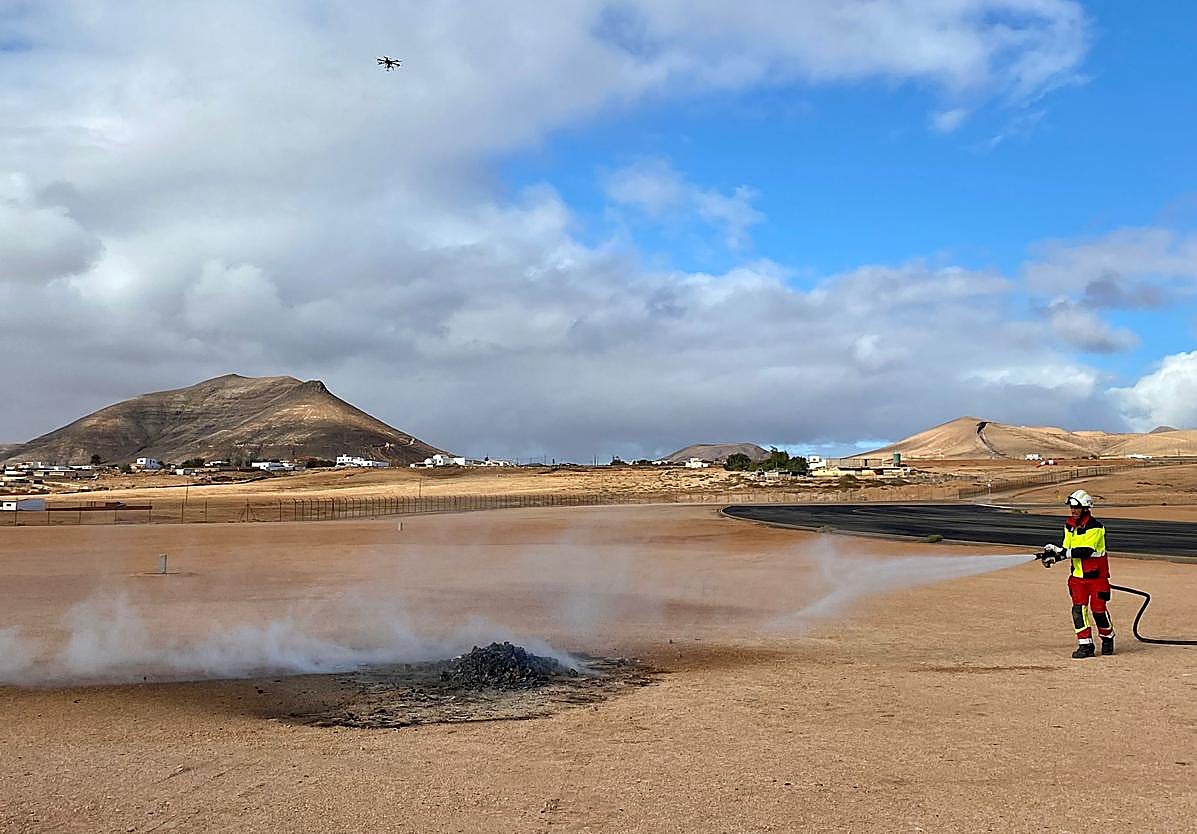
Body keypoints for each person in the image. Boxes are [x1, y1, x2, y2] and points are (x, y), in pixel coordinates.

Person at [1039, 489, 1115, 658]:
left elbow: (1085, 551)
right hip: (1077, 579)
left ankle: (1107, 637)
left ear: (1085, 508)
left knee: (1098, 611)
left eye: (1076, 507)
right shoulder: (1069, 527)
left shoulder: (1096, 528)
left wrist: (1060, 551)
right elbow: (1068, 550)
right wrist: (1054, 558)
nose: (1073, 511)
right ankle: (1085, 645)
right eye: (1071, 507)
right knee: (1078, 611)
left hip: (1097, 579)